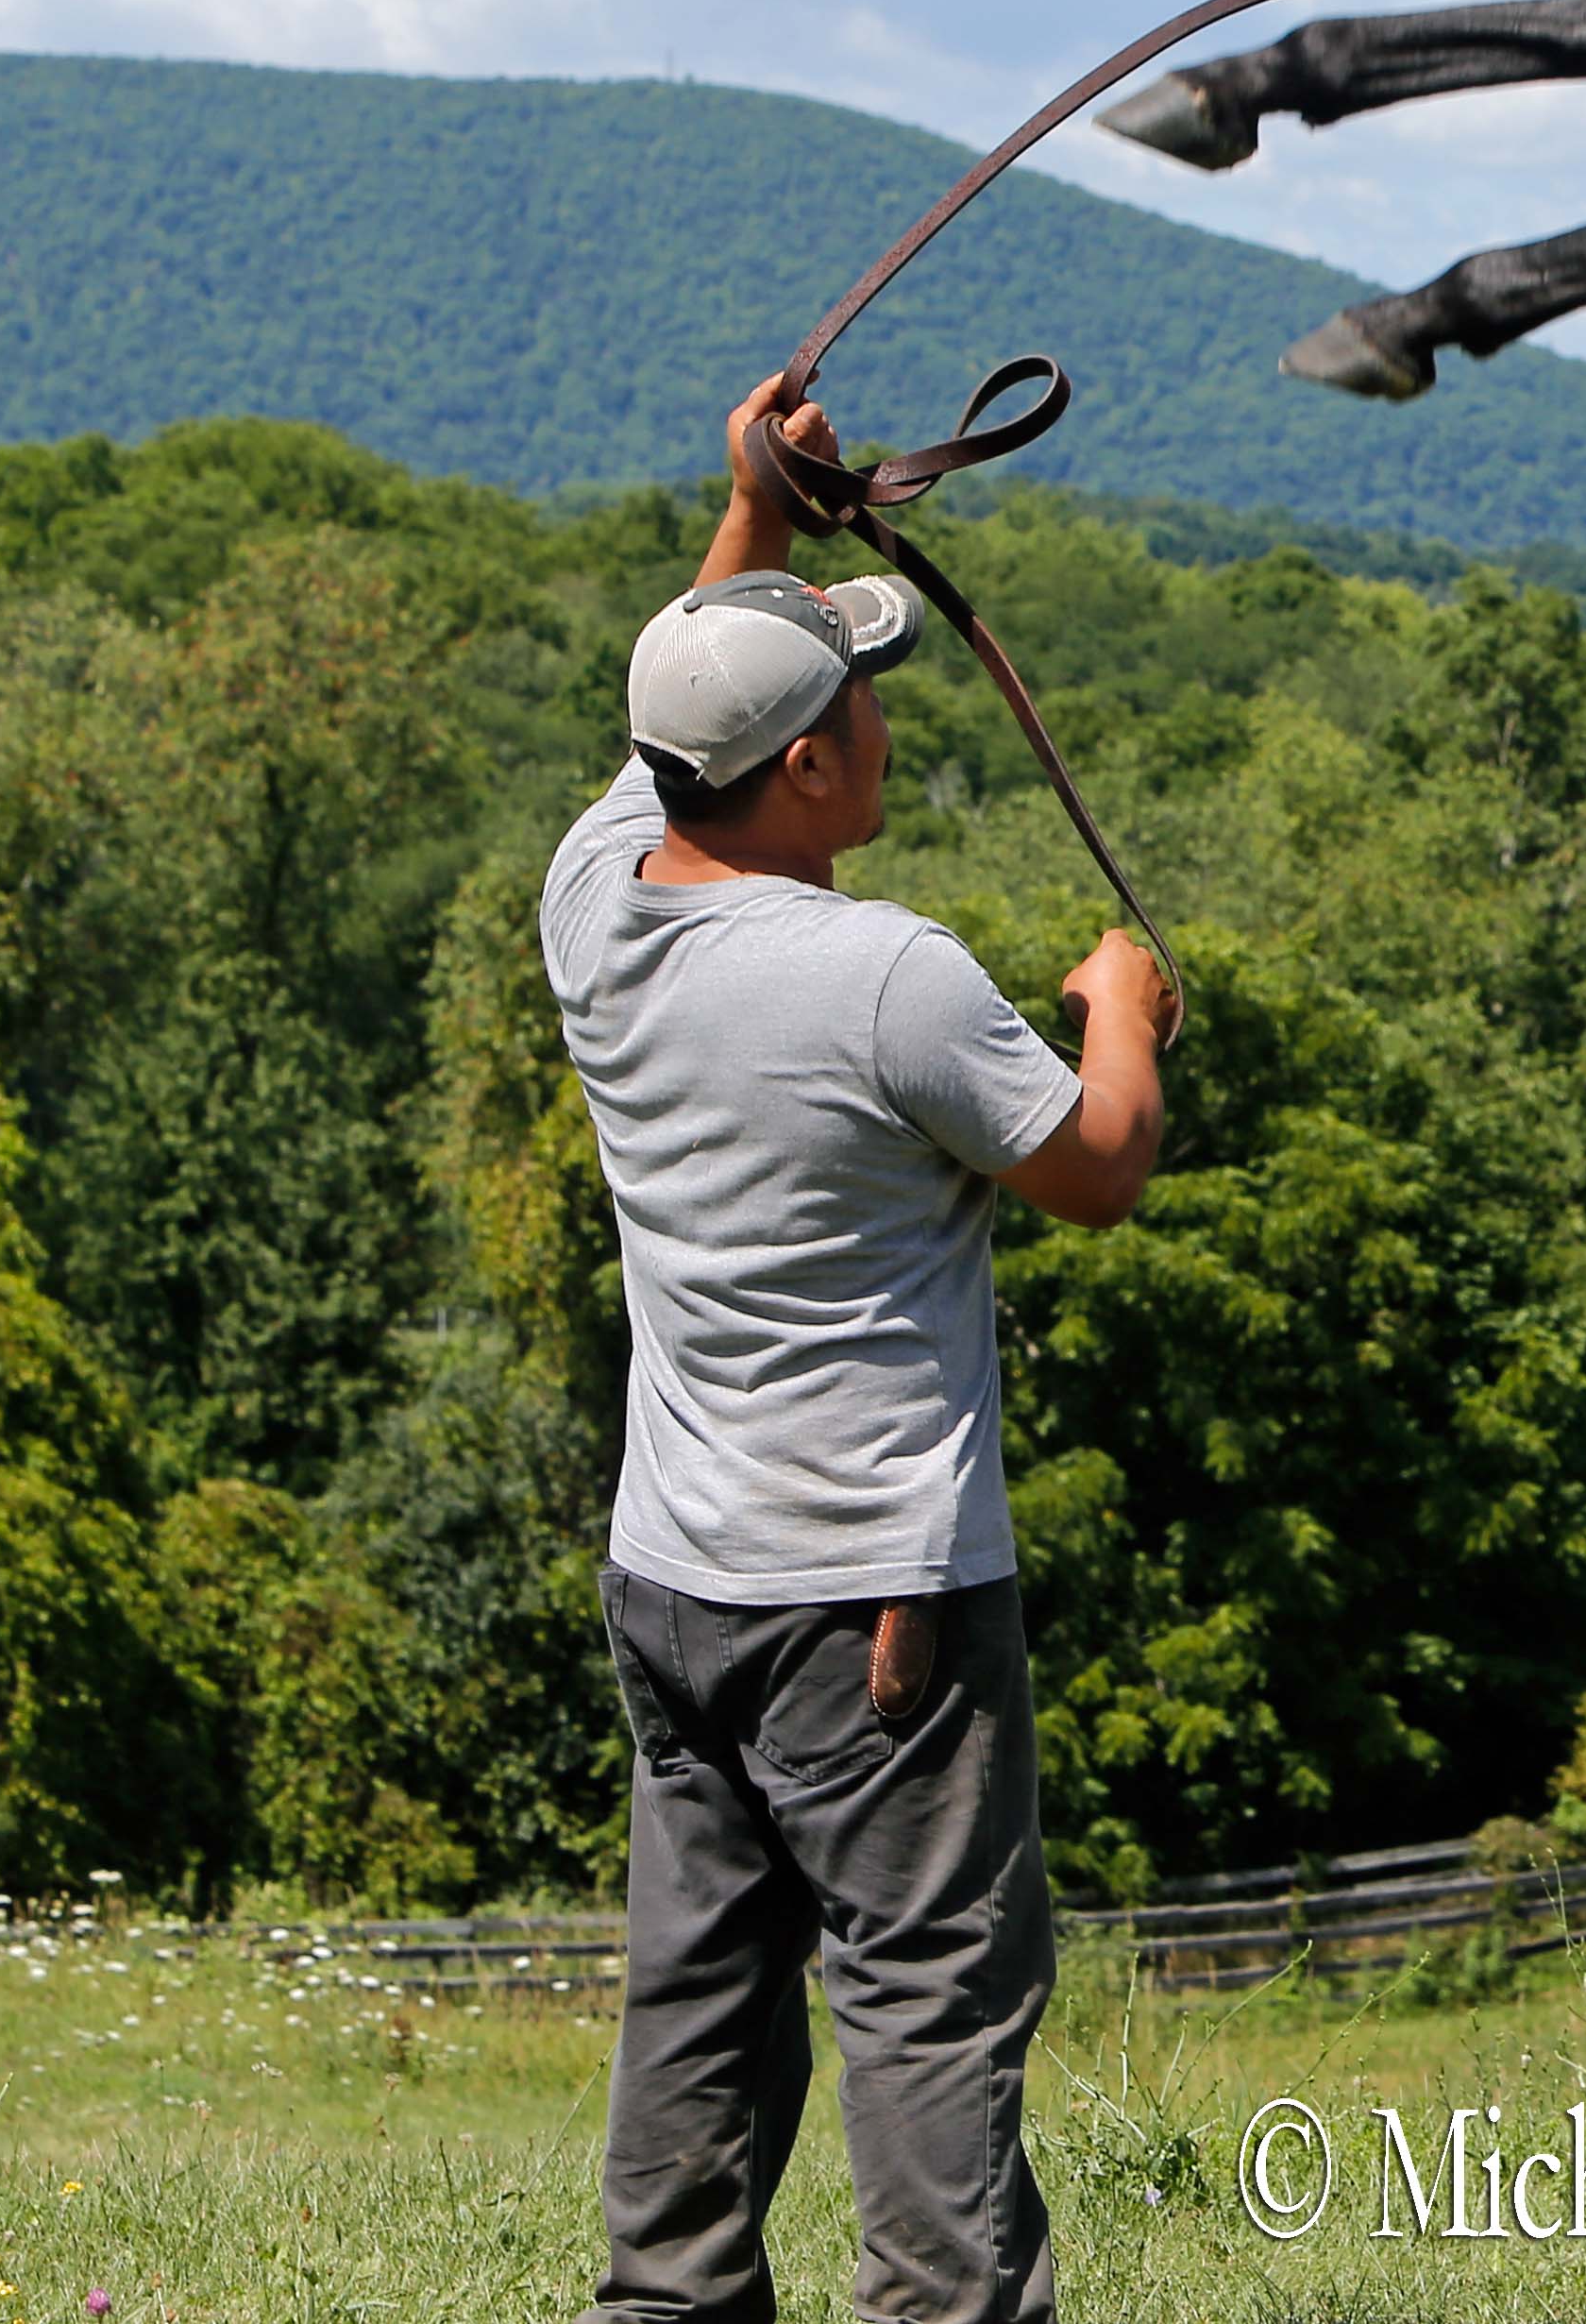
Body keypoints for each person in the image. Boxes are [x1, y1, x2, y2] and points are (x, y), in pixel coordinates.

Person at [548, 372, 1170, 2324]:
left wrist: (758, 505)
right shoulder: (881, 972)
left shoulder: (594, 900)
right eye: (852, 697)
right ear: (807, 773)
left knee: (703, 1997)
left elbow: (684, 704)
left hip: (680, 1579)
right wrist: (1121, 1004)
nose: (879, 711)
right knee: (927, 2009)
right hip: (878, 1610)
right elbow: (1095, 1170)